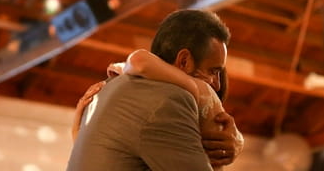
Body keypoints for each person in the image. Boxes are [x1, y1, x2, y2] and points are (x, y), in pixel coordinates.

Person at [66, 9, 243, 171]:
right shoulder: (170, 100)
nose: (216, 85)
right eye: (213, 72)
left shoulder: (110, 88)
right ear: (184, 61)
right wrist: (200, 92)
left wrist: (235, 143)